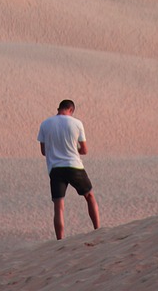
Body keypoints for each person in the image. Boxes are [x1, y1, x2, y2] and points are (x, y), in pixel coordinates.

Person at [37, 99, 100, 239]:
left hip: (55, 169)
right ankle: (97, 230)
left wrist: (56, 150)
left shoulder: (45, 124)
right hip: (74, 166)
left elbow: (43, 151)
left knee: (59, 206)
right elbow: (84, 150)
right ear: (71, 110)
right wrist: (72, 149)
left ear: (58, 108)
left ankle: (60, 240)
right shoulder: (77, 123)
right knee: (90, 197)